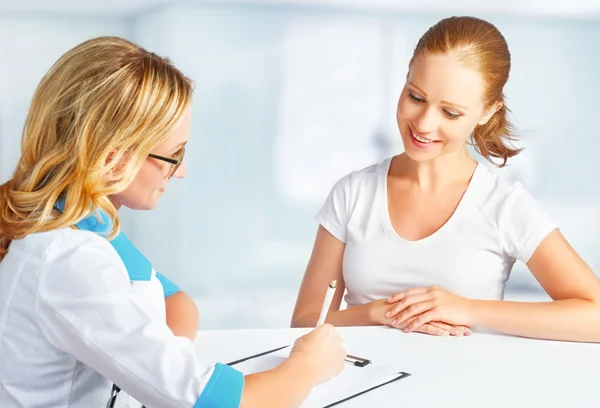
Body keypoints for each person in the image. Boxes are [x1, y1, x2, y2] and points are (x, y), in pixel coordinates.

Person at [0, 36, 345, 408]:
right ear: (114, 157)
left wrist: (156, 364)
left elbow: (175, 300)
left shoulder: (87, 222)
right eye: (172, 156)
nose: (180, 172)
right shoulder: (69, 260)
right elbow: (218, 404)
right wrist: (307, 366)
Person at [291, 16, 600, 342]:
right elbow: (303, 321)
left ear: (488, 112)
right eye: (415, 97)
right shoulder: (353, 194)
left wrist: (467, 309)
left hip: (465, 388)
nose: (423, 124)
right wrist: (377, 313)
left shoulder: (503, 206)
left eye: (450, 113)